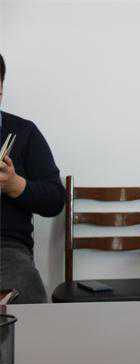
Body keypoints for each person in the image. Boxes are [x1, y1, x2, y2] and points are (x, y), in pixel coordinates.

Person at [0, 53, 65, 303]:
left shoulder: (24, 132)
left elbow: (55, 200)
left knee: (27, 290)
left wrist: (15, 185)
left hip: (6, 249)